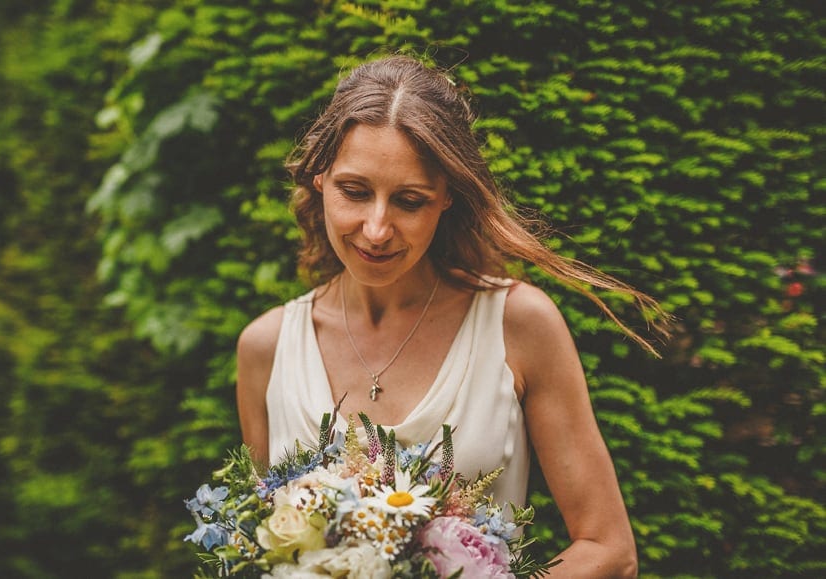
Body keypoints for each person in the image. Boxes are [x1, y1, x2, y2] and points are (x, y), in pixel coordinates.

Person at [237, 55, 669, 578]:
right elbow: (267, 548)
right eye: (354, 192)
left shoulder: (517, 324)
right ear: (320, 179)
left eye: (409, 201)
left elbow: (609, 549)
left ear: (446, 198)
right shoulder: (266, 348)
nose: (376, 228)